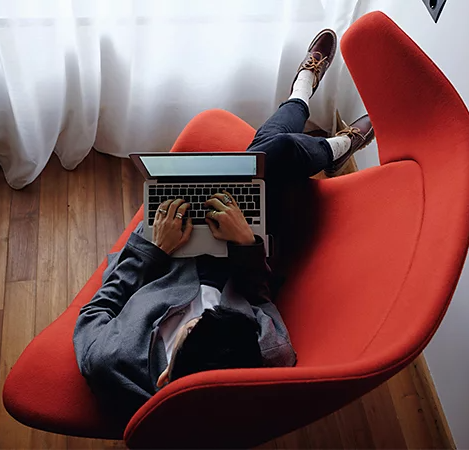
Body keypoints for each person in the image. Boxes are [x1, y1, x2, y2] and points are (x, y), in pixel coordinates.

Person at [73, 29, 374, 422]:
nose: (208, 307)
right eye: (216, 313)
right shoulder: (270, 354)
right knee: (275, 152)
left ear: (162, 378)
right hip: (243, 249)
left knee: (265, 153)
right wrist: (245, 244)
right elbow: (262, 299)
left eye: (196, 320)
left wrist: (153, 250)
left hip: (167, 254)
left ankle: (310, 107)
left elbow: (98, 309)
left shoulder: (106, 359)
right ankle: (329, 136)